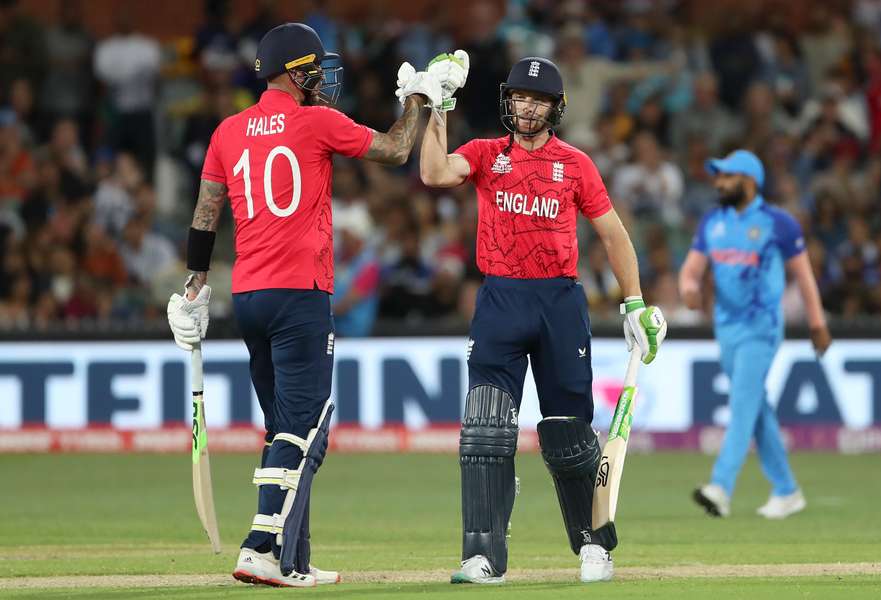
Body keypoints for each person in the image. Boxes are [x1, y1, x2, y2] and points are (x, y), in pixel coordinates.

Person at [165, 22, 442, 587]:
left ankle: (294, 558)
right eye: (314, 67)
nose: (321, 77)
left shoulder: (227, 131)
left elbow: (204, 215)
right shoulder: (315, 120)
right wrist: (421, 99)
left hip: (248, 295)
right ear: (294, 73)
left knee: (282, 427)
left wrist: (193, 284)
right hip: (300, 294)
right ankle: (261, 546)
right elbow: (395, 149)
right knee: (307, 425)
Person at [420, 53, 667, 584]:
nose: (527, 108)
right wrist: (437, 108)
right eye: (520, 98)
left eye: (539, 100)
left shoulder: (575, 164)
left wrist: (634, 302)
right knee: (485, 428)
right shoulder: (486, 153)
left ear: (556, 108)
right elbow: (435, 172)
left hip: (559, 303)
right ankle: (483, 556)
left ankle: (593, 544)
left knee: (569, 435)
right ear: (507, 101)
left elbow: (614, 234)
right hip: (500, 301)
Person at [678, 150, 832, 520]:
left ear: (749, 181)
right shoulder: (713, 222)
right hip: (726, 328)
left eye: (726, 177)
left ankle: (720, 487)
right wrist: (688, 289)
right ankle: (787, 490)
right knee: (756, 407)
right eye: (718, 176)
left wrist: (817, 323)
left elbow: (804, 275)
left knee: (743, 404)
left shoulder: (778, 223)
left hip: (762, 327)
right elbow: (691, 270)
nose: (718, 184)